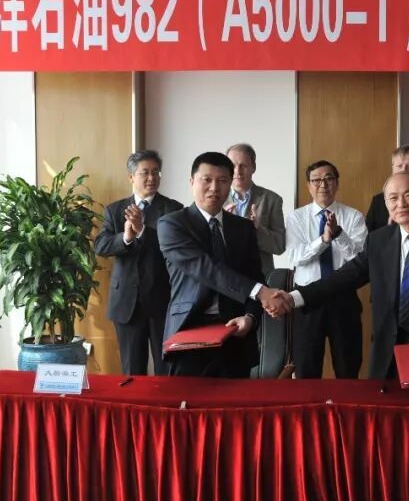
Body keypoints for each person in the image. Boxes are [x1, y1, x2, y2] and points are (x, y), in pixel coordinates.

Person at [269, 172, 409, 380]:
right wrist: (294, 297)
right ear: (386, 204)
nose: (401, 204)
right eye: (393, 198)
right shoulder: (378, 241)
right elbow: (342, 278)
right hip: (391, 352)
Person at [158, 152, 285, 378]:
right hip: (189, 332)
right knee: (189, 399)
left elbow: (255, 276)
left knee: (235, 399)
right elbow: (206, 268)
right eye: (206, 180)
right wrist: (260, 292)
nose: (214, 188)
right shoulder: (172, 224)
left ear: (230, 184)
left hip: (235, 332)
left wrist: (251, 317)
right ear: (192, 182)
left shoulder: (243, 228)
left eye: (223, 180)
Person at [94, 150, 183, 376]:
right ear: (131, 177)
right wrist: (126, 238)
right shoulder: (115, 210)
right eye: (145, 172)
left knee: (167, 369)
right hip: (127, 303)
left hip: (163, 300)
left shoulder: (173, 209)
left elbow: (175, 247)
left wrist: (143, 230)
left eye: (156, 172)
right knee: (132, 370)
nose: (151, 178)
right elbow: (101, 246)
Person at [284, 160, 367, 379]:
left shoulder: (354, 216)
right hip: (308, 300)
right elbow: (295, 257)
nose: (323, 185)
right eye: (316, 180)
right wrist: (323, 240)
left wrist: (339, 234)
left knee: (348, 368)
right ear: (308, 186)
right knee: (306, 368)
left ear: (337, 183)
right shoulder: (296, 217)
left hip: (343, 298)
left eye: (329, 179)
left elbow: (360, 261)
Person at [225, 143, 286, 280]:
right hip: (225, 277)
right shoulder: (216, 198)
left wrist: (257, 229)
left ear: (253, 167)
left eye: (243, 166)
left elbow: (279, 246)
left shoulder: (272, 199)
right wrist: (221, 224)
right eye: (233, 165)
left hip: (260, 278)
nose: (237, 171)